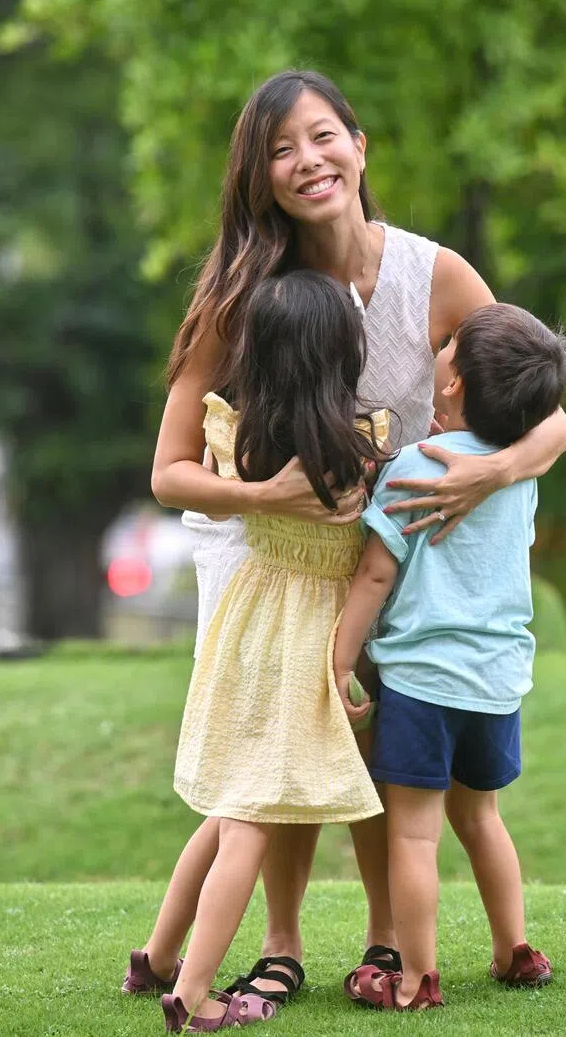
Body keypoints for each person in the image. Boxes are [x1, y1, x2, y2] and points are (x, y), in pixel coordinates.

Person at [151, 68, 566, 1003]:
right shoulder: (246, 295)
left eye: (322, 136)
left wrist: (488, 471)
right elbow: (171, 470)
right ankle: (281, 940)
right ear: (258, 178)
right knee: (292, 735)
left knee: (381, 724)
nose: (307, 161)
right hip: (267, 545)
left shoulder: (440, 276)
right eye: (280, 150)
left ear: (360, 144)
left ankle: (385, 942)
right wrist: (270, 498)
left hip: (397, 536)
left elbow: (546, 416)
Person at [123, 269, 390, 1032]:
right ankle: (193, 994)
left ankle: (157, 957)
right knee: (249, 820)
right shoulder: (360, 446)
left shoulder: (233, 435)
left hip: (244, 627)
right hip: (305, 639)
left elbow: (184, 474)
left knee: (227, 807)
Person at [332, 303, 566, 1011]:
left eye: (447, 349)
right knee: (483, 819)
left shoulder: (414, 465)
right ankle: (514, 951)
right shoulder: (517, 475)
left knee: (413, 832)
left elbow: (375, 575)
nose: (436, 353)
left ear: (454, 385)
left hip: (422, 684)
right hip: (496, 684)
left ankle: (414, 978)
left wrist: (338, 662)